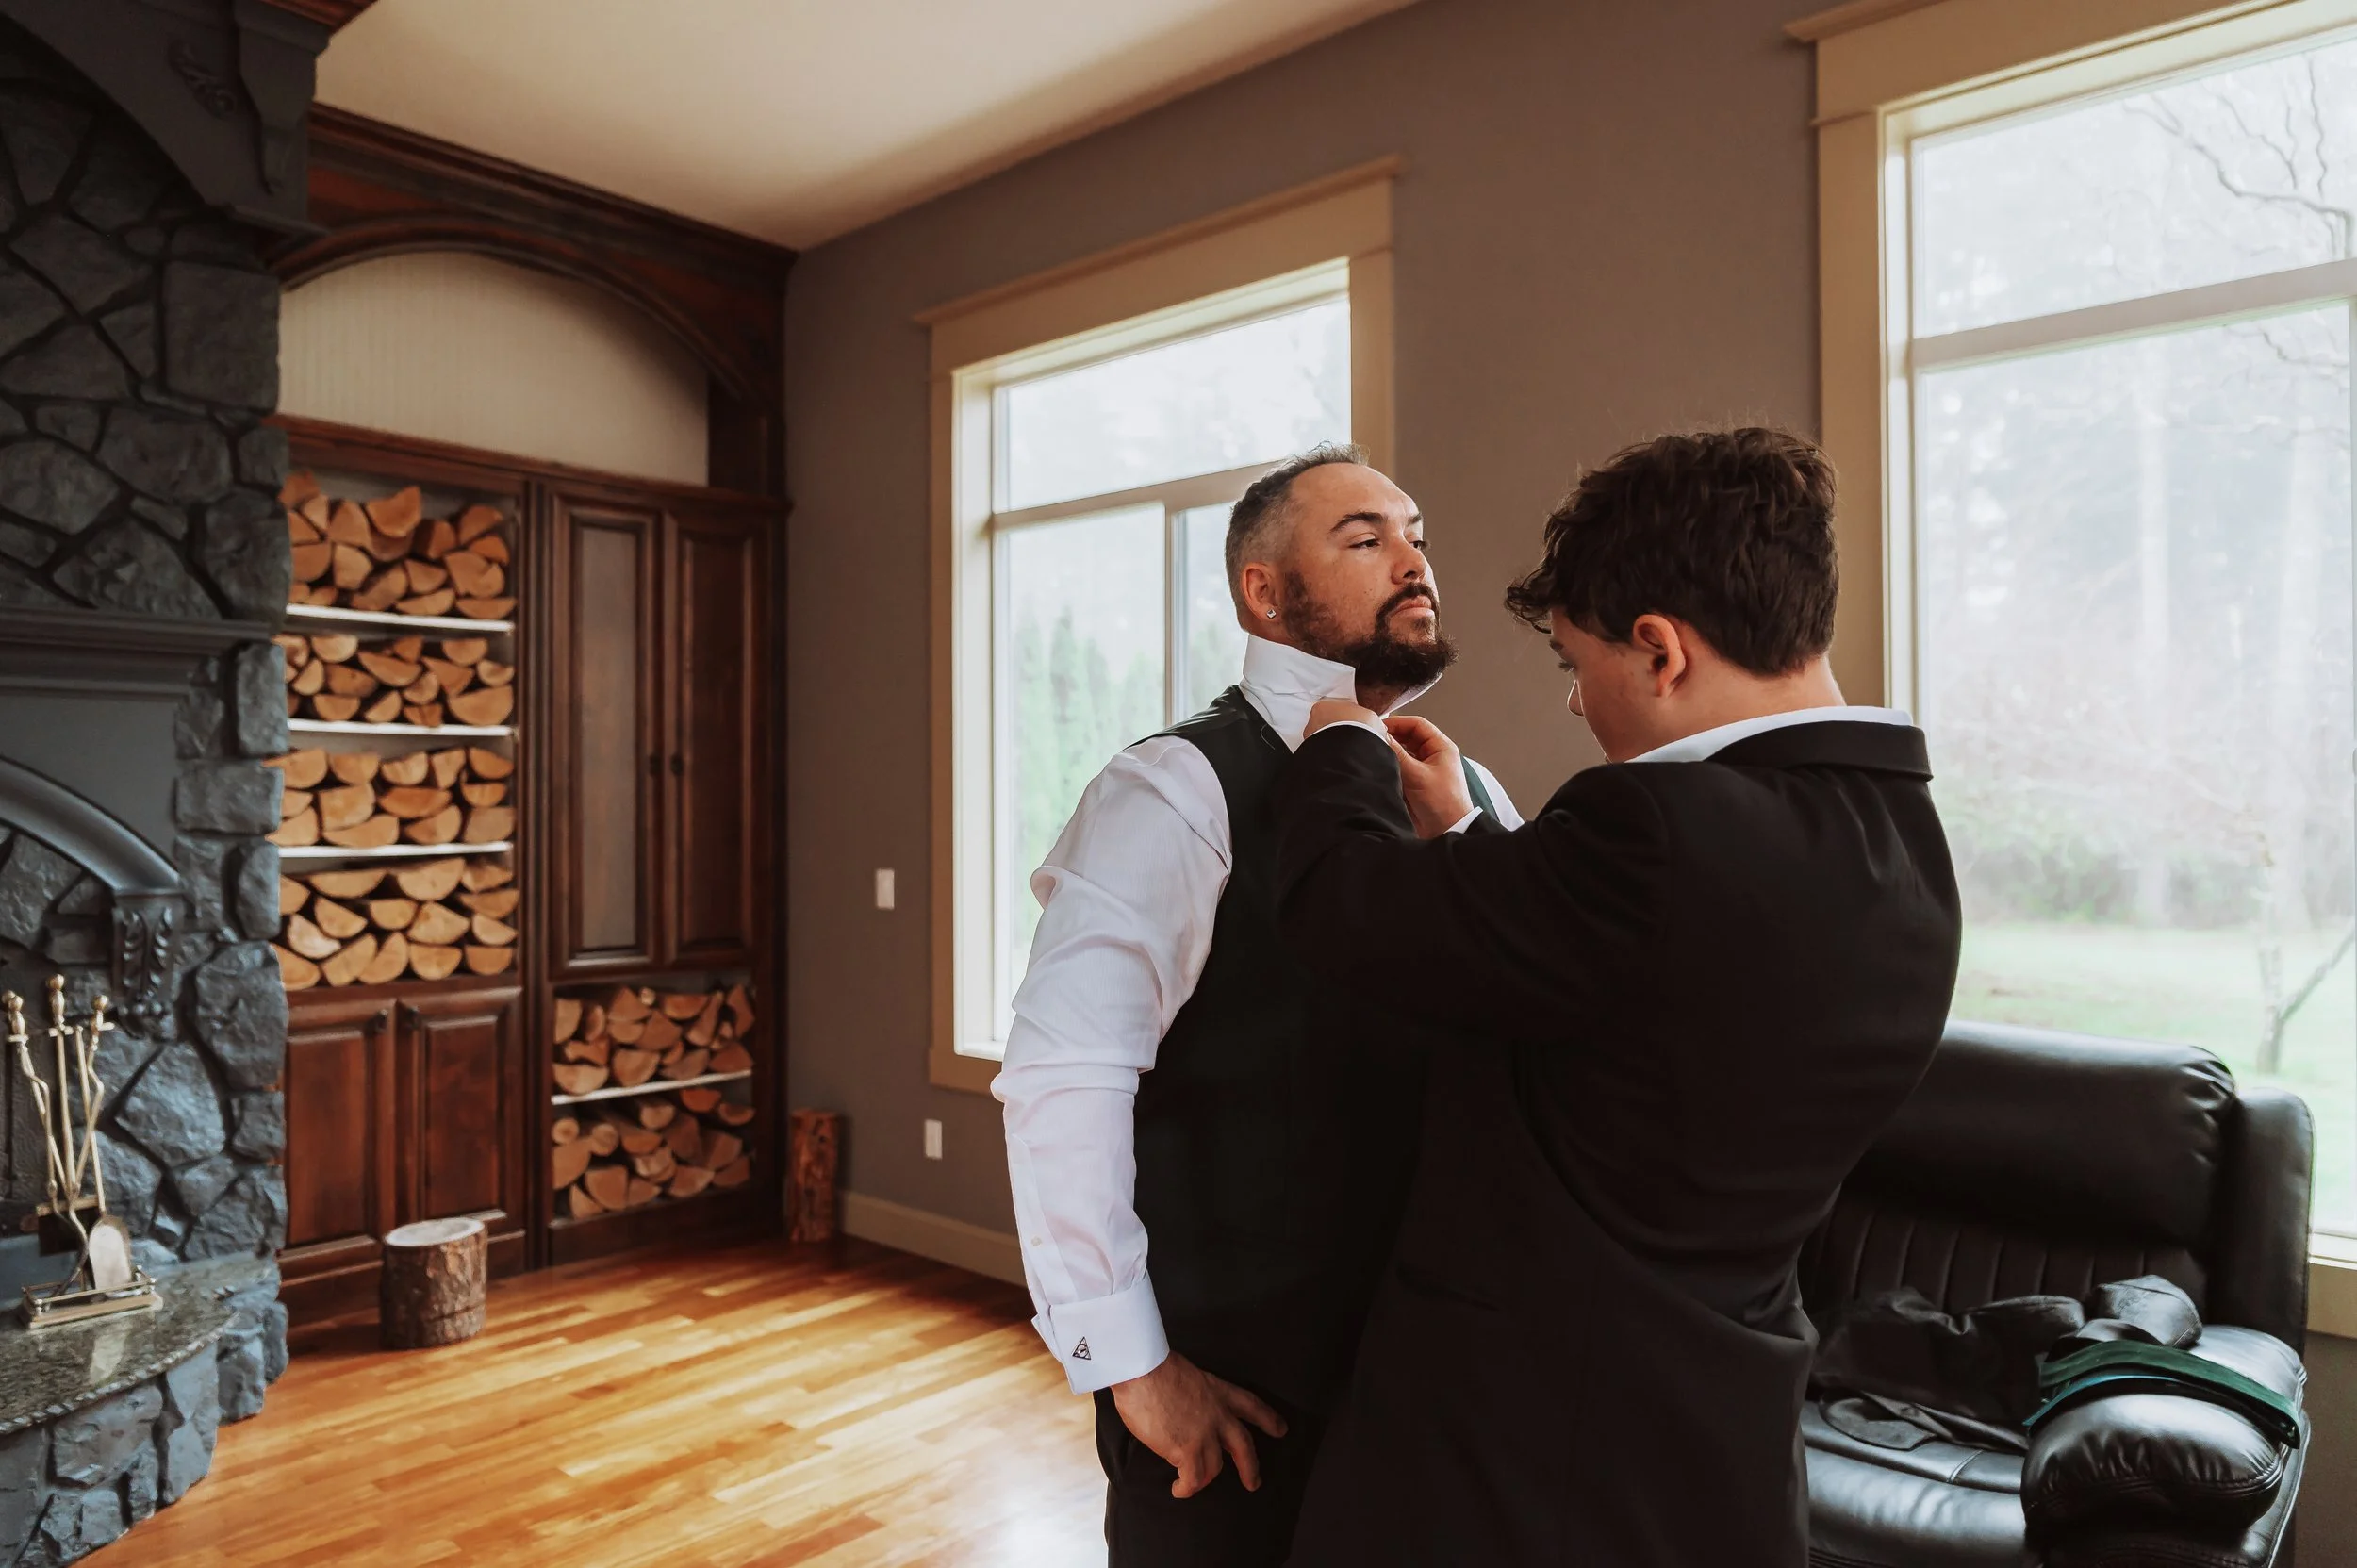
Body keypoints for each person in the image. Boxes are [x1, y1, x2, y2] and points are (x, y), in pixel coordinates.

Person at [1272, 428, 1963, 1566]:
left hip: (1528, 1460)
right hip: (1713, 1446)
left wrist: (1340, 747)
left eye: (1574, 663)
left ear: (1659, 650)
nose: (1575, 704)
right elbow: (1639, 997)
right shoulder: (1904, 849)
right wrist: (1471, 835)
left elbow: (1343, 907)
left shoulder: (1653, 829)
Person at [991, 444, 1522, 1568]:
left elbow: (1530, 1032)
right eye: (1365, 539)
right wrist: (1133, 1368)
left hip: (1434, 1387)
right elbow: (1062, 1077)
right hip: (1238, 1400)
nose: (1413, 562)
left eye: (1417, 536)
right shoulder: (1174, 790)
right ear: (1264, 592)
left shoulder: (1471, 795)